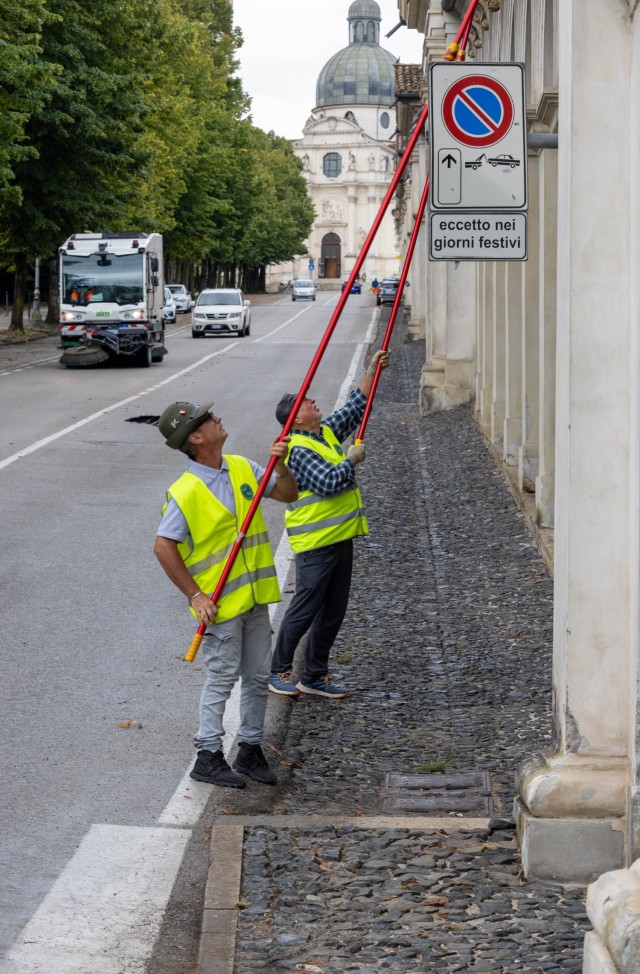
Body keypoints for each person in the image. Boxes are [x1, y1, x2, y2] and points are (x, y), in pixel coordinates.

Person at [153, 400, 298, 789]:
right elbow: (163, 546)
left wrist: (280, 464)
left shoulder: (241, 466)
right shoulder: (185, 491)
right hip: (219, 606)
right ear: (196, 437)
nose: (218, 418)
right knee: (221, 679)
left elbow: (287, 494)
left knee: (255, 677)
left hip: (253, 597)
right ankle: (208, 756)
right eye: (208, 419)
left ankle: (250, 750)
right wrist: (196, 596)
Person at [269, 349, 390, 699]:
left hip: (339, 538)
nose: (313, 400)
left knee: (334, 609)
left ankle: (314, 675)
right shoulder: (298, 448)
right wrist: (351, 461)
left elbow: (355, 407)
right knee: (306, 607)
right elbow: (328, 483)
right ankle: (277, 671)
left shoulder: (323, 434)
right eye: (306, 401)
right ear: (294, 420)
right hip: (317, 543)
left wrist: (371, 371)